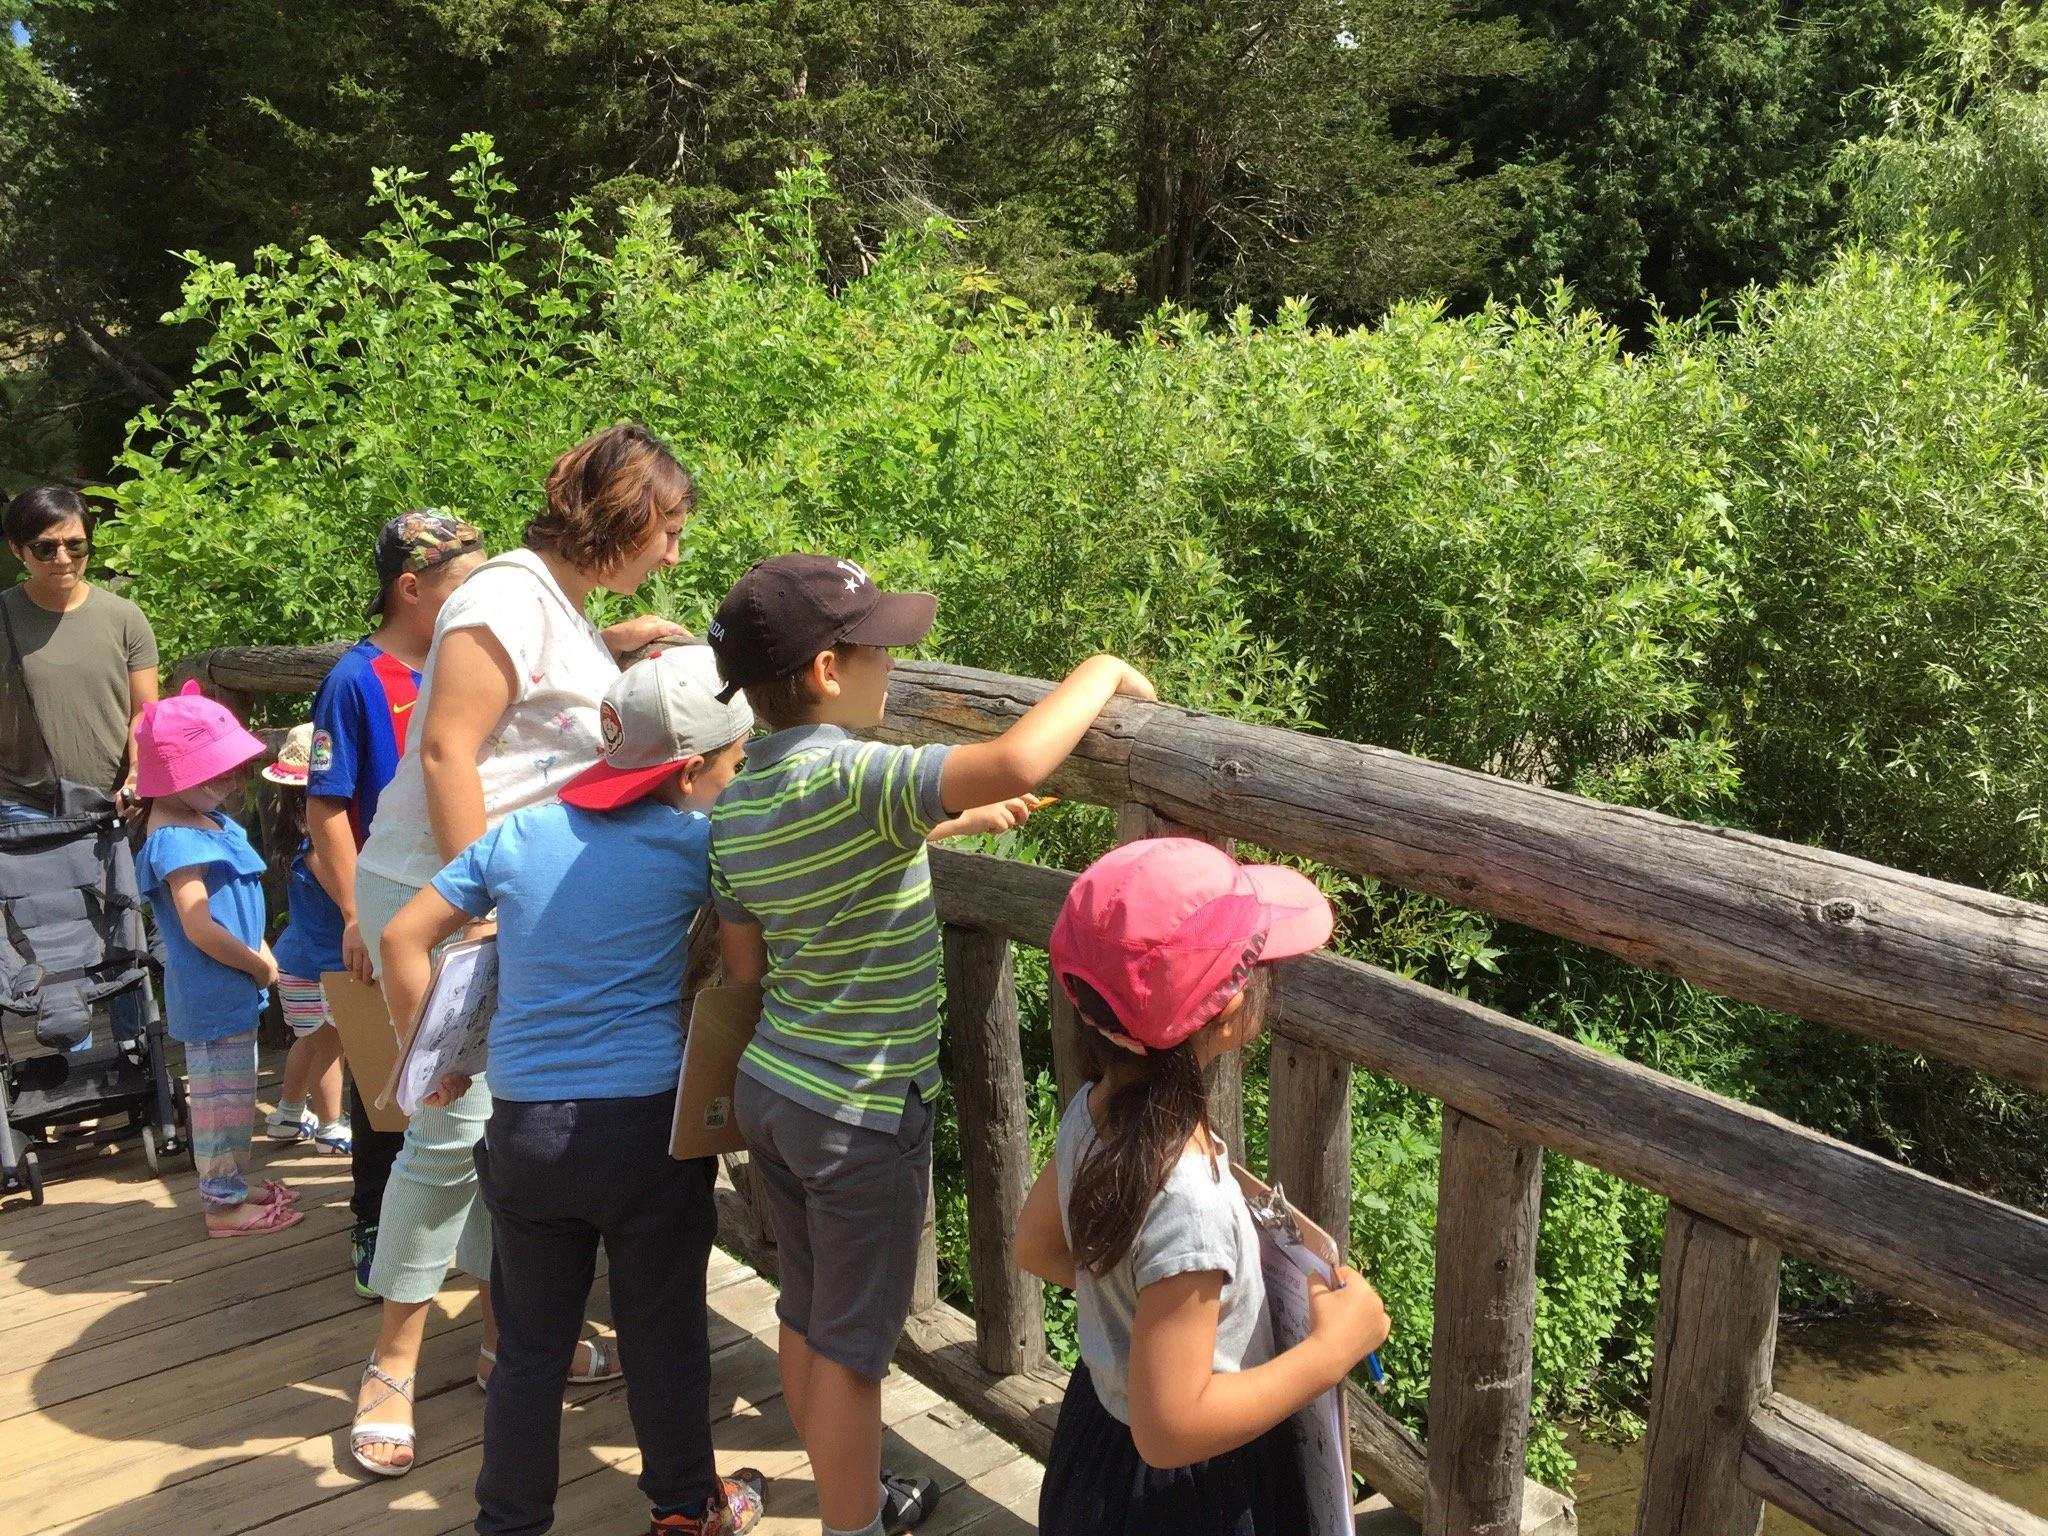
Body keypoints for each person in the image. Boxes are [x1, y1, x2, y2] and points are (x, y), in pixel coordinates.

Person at [706, 552, 1155, 1536]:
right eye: (881, 651)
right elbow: (1018, 760)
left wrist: (938, 827)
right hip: (856, 1115)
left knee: (803, 1313)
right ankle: (851, 1524)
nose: (895, 668)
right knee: (856, 1355)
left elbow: (748, 962)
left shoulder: (738, 801)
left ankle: (847, 1500)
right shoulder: (862, 777)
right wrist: (1099, 669)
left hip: (774, 1093)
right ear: (826, 670)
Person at [348, 425, 690, 1474]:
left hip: (495, 893)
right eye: (667, 530)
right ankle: (390, 1366)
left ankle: (505, 1338)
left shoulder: (554, 603)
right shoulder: (501, 597)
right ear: (624, 518)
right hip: (444, 893)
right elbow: (449, 748)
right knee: (451, 1130)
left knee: (502, 1129)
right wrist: (486, 911)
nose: (673, 554)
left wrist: (618, 648)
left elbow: (533, 721)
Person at [375, 648, 766, 1535]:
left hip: (527, 1136)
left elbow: (404, 936)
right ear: (695, 769)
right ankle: (682, 1510)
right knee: (664, 1335)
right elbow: (744, 975)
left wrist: (426, 1057)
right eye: (735, 762)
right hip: (646, 1135)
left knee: (529, 1350)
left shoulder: (518, 834)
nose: (735, 778)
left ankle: (509, 1522)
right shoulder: (700, 846)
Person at [1010, 839, 1391, 1535]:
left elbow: (1036, 1246)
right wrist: (1332, 1350)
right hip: (1181, 1497)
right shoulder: (1189, 1200)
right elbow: (1171, 1429)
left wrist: (1141, 1322)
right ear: (1229, 1009)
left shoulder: (1093, 1112)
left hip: (1097, 1437)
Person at [303, 510, 487, 1294]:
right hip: (391, 904)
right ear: (412, 589)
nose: (484, 597)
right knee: (396, 1077)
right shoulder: (355, 679)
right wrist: (353, 912)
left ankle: (468, 1244)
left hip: (458, 900)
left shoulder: (468, 660)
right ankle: (375, 1225)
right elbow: (325, 810)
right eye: (465, 582)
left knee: (463, 1083)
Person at [133, 681, 304, 1237]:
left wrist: (259, 954)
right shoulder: (175, 838)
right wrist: (257, 964)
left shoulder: (203, 820)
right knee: (217, 1105)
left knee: (236, 1100)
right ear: (173, 777)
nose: (231, 781)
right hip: (213, 993)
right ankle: (222, 1206)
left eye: (233, 769)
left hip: (232, 990)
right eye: (215, 772)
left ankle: (230, 1182)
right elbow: (200, 925)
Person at [1, 485, 158, 819]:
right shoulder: (4, 616)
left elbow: (145, 711)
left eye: (76, 546)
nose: (63, 559)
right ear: (17, 550)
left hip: (112, 803)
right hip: (21, 806)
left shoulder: (125, 618)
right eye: (45, 549)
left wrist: (138, 775)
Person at [260, 724, 350, 1154]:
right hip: (324, 967)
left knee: (309, 1041)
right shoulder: (320, 853)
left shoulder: (297, 846)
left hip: (296, 961)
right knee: (330, 1045)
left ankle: (288, 1115)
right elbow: (349, 900)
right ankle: (331, 1126)